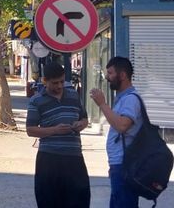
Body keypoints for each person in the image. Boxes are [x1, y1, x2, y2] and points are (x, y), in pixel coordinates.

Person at [27, 61, 90, 208]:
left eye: (62, 81)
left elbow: (84, 118)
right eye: (55, 83)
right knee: (49, 201)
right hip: (49, 159)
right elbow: (30, 129)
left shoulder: (74, 96)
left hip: (74, 158)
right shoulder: (36, 101)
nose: (59, 86)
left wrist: (81, 125)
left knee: (79, 200)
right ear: (45, 81)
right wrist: (55, 130)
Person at [90, 57, 142, 208]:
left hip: (125, 166)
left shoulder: (131, 99)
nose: (107, 77)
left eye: (111, 73)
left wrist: (102, 104)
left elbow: (122, 126)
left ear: (123, 75)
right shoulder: (123, 98)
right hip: (119, 165)